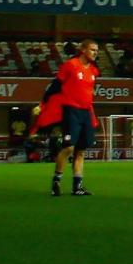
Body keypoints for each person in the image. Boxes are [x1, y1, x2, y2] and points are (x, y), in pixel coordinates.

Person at [46, 39, 101, 196]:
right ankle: (56, 181)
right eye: (92, 49)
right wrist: (44, 103)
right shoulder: (71, 65)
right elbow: (56, 85)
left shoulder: (93, 70)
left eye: (97, 50)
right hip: (71, 111)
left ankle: (77, 186)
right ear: (83, 50)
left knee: (81, 150)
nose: (95, 53)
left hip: (86, 112)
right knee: (69, 147)